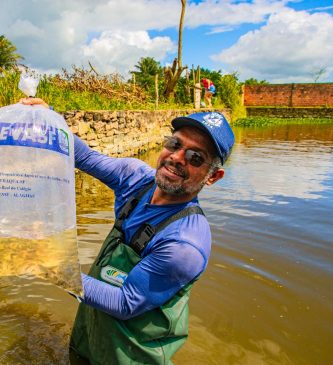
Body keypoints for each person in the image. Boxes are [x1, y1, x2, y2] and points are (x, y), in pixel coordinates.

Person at [20, 98, 234, 364]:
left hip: (134, 352)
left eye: (195, 157)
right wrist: (48, 119)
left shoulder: (184, 244)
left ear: (213, 176)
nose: (177, 158)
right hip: (91, 330)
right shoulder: (134, 178)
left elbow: (124, 303)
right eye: (175, 144)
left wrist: (50, 261)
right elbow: (85, 157)